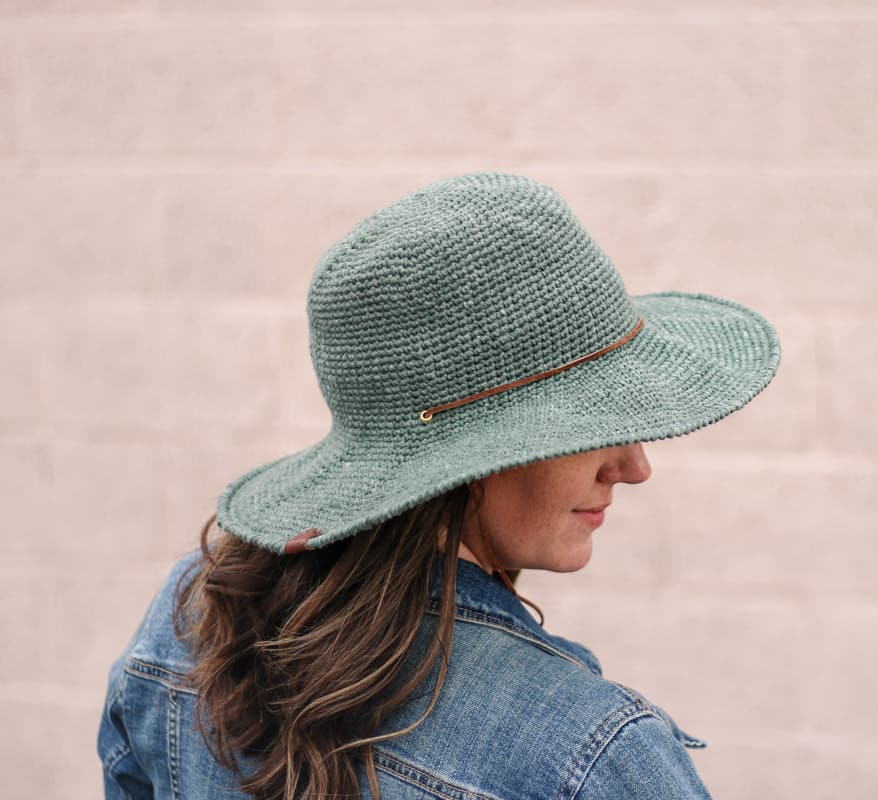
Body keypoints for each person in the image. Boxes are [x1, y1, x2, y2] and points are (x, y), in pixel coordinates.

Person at [97, 172, 781, 799]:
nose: (634, 467)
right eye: (593, 425)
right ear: (473, 454)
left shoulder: (192, 622)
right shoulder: (595, 756)